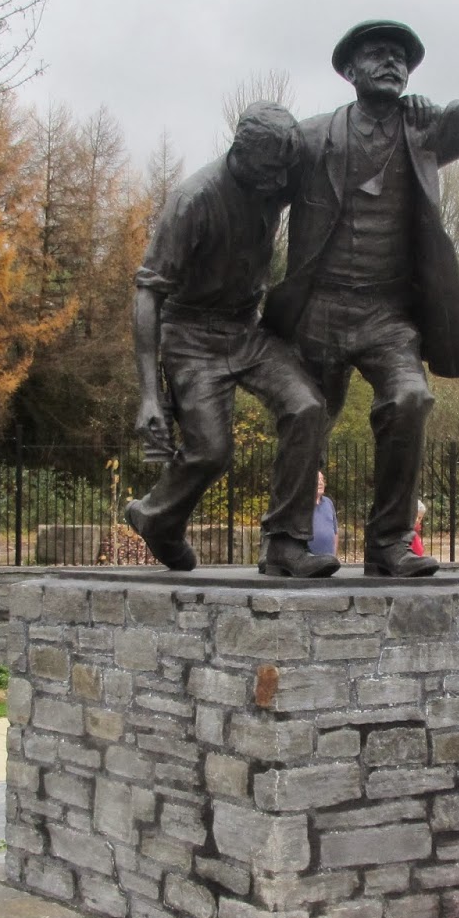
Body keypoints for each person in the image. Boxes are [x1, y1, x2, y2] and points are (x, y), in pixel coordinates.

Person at [262, 0, 459, 577]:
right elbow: (250, 187)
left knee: (410, 398)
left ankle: (390, 544)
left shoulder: (425, 132)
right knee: (306, 415)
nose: (393, 61)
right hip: (319, 307)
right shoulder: (310, 138)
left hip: (387, 314)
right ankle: (285, 545)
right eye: (378, 52)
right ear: (349, 68)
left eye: (401, 55)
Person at [126, 102, 338, 578]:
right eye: (266, 174)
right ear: (239, 152)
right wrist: (148, 396)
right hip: (191, 335)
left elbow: (329, 134)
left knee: (307, 405)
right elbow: (148, 293)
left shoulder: (275, 172)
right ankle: (156, 518)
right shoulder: (193, 201)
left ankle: (285, 545)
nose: (275, 186)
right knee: (212, 451)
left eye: (281, 175)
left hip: (247, 329)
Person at [310, 470, 337, 557]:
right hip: (308, 561)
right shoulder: (303, 505)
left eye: (322, 480)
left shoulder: (328, 502)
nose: (321, 483)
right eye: (318, 479)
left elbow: (335, 532)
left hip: (327, 561)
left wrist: (334, 556)